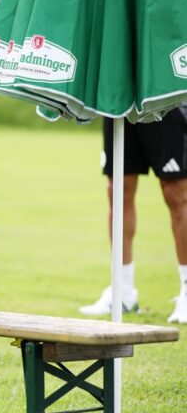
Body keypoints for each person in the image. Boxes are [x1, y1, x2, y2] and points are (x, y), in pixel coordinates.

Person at [80, 104, 187, 323]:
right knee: (117, 189)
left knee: (175, 192)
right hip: (119, 100)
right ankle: (123, 291)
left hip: (161, 95)